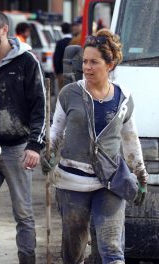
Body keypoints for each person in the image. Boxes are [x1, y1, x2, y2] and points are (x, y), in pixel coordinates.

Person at [41, 29, 148, 263]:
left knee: (111, 247)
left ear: (109, 65)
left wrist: (140, 175)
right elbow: (56, 130)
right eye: (85, 62)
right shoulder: (70, 93)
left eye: (94, 62)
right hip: (72, 183)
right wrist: (47, 152)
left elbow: (130, 139)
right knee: (73, 250)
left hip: (110, 181)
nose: (87, 68)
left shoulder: (124, 98)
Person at [0, 10, 46, 264]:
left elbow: (41, 106)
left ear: (4, 30)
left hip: (18, 150)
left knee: (24, 214)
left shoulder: (27, 62)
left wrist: (36, 145)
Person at [53, 22, 72, 90]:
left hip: (62, 72)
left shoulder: (60, 43)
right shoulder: (74, 41)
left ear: (62, 30)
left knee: (62, 93)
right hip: (73, 73)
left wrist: (57, 71)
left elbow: (56, 58)